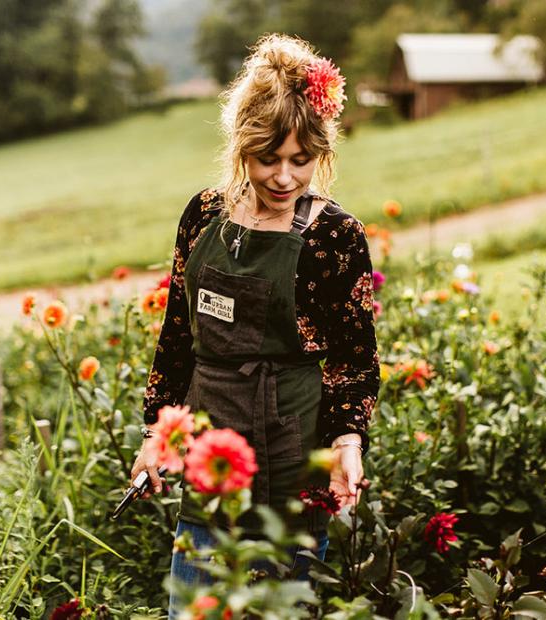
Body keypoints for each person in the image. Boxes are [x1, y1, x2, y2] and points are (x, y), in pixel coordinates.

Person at [130, 33, 379, 614]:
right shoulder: (203, 216)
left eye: (301, 160)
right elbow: (176, 339)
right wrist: (153, 435)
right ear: (243, 146)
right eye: (270, 158)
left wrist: (347, 440)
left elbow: (353, 358)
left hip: (292, 455)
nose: (286, 177)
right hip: (210, 448)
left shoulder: (333, 237)